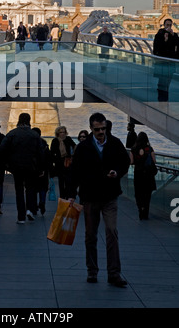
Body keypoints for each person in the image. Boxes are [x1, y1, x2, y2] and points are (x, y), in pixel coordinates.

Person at [68, 112, 130, 287]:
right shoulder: (83, 147)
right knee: (90, 235)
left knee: (111, 232)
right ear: (91, 129)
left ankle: (114, 273)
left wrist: (116, 172)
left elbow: (125, 162)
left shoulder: (115, 143)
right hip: (90, 197)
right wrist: (72, 194)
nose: (101, 132)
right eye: (97, 129)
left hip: (110, 196)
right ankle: (92, 271)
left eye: (103, 128)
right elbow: (74, 172)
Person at [0, 113, 44, 223]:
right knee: (30, 188)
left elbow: (2, 149)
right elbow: (40, 153)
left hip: (16, 167)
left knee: (19, 190)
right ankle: (30, 209)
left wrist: (7, 165)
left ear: (19, 120)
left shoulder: (12, 134)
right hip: (31, 167)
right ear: (29, 121)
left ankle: (21, 217)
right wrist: (40, 168)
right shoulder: (34, 135)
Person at [129, 132, 157, 220]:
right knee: (147, 195)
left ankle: (140, 210)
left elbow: (131, 162)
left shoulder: (133, 149)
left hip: (138, 174)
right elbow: (154, 161)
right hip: (148, 175)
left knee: (138, 193)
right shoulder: (149, 149)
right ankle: (146, 213)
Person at [153, 18, 179, 101]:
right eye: (167, 25)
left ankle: (165, 98)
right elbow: (157, 47)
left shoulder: (174, 35)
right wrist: (165, 40)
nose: (169, 27)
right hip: (162, 61)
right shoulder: (160, 34)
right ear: (164, 25)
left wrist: (172, 36)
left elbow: (177, 45)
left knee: (168, 80)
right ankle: (161, 98)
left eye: (170, 25)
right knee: (162, 80)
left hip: (170, 61)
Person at [50, 126, 76, 199]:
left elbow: (74, 147)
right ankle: (62, 198)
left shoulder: (68, 139)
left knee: (68, 182)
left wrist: (71, 156)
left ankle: (67, 197)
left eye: (63, 132)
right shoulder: (55, 141)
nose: (62, 134)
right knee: (61, 182)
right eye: (61, 132)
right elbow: (52, 153)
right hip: (59, 164)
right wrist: (55, 161)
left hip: (68, 163)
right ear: (58, 133)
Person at [32, 127, 52, 215]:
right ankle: (42, 202)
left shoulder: (30, 144)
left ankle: (34, 205)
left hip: (33, 170)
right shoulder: (44, 144)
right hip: (43, 171)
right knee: (43, 188)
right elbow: (48, 158)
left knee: (33, 188)